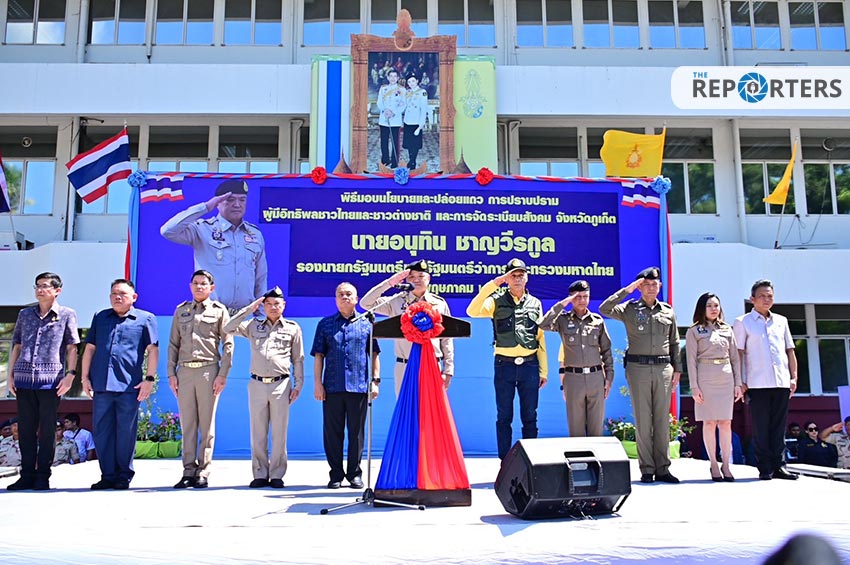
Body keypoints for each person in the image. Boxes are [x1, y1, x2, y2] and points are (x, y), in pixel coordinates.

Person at [600, 266, 682, 484]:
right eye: (646, 284)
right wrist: (628, 289)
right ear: (639, 287)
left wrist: (678, 370)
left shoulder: (667, 311)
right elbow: (604, 308)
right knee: (643, 419)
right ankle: (647, 469)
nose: (651, 288)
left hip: (663, 369)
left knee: (662, 419)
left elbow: (674, 342)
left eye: (655, 284)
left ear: (660, 286)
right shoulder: (629, 308)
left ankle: (663, 468)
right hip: (638, 369)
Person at [466, 258, 548, 460]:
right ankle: (505, 461)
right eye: (513, 275)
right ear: (507, 278)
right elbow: (472, 311)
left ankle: (531, 460)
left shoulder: (535, 303)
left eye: (521, 275)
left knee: (530, 415)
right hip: (505, 365)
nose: (517, 279)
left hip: (530, 365)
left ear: (527, 278)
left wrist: (543, 371)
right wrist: (495, 283)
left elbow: (540, 338)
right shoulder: (496, 300)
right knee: (504, 416)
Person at [81, 279, 159, 490]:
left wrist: (149, 379)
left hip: (129, 386)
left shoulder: (145, 319)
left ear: (134, 297)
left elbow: (153, 350)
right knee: (102, 432)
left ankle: (123, 475)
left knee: (126, 432)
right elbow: (90, 348)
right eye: (114, 293)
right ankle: (107, 475)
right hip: (101, 385)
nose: (117, 297)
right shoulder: (101, 317)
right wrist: (84, 378)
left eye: (123, 294)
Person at [224, 286, 303, 489]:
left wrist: (298, 384)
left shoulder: (292, 328)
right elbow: (228, 328)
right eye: (268, 304)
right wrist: (250, 309)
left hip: (281, 384)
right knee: (258, 431)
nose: (273, 307)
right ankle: (259, 473)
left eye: (277, 303)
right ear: (263, 306)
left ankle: (277, 474)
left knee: (279, 432)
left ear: (283, 305)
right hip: (257, 384)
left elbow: (298, 359)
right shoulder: (253, 325)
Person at [7, 272, 80, 491]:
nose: (40, 290)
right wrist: (10, 375)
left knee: (47, 430)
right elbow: (17, 345)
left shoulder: (66, 314)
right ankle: (26, 475)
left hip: (51, 382)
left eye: (45, 286)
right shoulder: (25, 314)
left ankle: (43, 475)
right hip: (24, 380)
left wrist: (70, 375)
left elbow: (72, 347)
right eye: (37, 286)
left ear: (57, 290)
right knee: (26, 429)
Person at [167, 269, 234, 489]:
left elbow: (228, 344)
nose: (199, 287)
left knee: (206, 424)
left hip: (208, 371)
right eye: (195, 283)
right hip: (185, 372)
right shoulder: (181, 310)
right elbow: (173, 344)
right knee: (188, 424)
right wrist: (171, 373)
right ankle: (188, 470)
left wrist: (222, 374)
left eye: (203, 283)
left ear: (211, 288)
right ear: (190, 286)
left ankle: (203, 471)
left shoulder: (219, 311)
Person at [311, 283, 381, 489]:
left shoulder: (367, 323)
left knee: (356, 433)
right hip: (332, 387)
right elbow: (319, 356)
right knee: (332, 433)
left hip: (358, 387)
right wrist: (318, 384)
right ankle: (336, 474)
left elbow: (374, 354)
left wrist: (375, 381)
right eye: (340, 294)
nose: (345, 297)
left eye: (349, 294)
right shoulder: (325, 324)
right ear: (335, 299)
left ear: (357, 298)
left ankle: (354, 474)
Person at [160, 179, 267, 313]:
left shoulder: (255, 234)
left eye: (242, 200)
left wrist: (261, 315)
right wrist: (206, 207)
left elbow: (260, 279)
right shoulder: (203, 229)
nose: (237, 205)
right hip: (209, 314)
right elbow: (168, 231)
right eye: (230, 200)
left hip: (245, 316)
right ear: (218, 202)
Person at [732, 279, 799, 481]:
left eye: (770, 296)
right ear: (752, 299)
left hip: (781, 381)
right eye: (762, 296)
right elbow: (738, 353)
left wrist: (793, 377)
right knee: (761, 427)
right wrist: (740, 380)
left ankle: (780, 465)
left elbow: (789, 350)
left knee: (779, 426)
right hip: (757, 383)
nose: (766, 299)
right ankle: (764, 467)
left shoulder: (781, 321)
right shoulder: (743, 322)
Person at [360, 260, 454, 398]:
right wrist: (389, 283)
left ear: (428, 279)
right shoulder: (396, 300)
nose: (416, 280)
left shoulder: (439, 303)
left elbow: (446, 339)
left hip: (432, 364)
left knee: (430, 409)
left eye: (421, 276)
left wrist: (448, 370)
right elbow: (365, 303)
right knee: (406, 408)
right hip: (405, 365)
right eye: (411, 277)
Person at [540, 280, 614, 437]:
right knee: (576, 427)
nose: (582, 300)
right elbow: (543, 324)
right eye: (577, 297)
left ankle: (596, 453)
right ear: (571, 298)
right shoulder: (563, 320)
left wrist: (609, 379)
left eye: (585, 296)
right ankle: (579, 454)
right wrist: (563, 304)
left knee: (596, 428)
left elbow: (606, 351)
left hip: (595, 377)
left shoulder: (597, 321)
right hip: (573, 378)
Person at [685, 292, 743, 482]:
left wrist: (738, 383)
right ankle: (713, 464)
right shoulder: (694, 331)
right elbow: (690, 361)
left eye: (716, 305)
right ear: (702, 308)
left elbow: (735, 358)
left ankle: (726, 464)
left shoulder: (727, 329)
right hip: (705, 378)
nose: (713, 309)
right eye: (709, 305)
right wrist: (694, 386)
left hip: (725, 377)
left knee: (725, 422)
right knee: (709, 422)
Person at [376, 69, 406, 168]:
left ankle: (394, 161)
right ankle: (385, 159)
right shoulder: (383, 89)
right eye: (391, 76)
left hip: (395, 119)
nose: (393, 78)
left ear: (398, 78)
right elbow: (379, 102)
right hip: (384, 119)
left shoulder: (402, 90)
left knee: (395, 141)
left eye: (395, 76)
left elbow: (403, 104)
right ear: (388, 77)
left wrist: (393, 112)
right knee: (384, 141)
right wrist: (385, 110)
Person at [402, 73, 428, 170]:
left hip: (416, 122)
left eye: (413, 81)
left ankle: (413, 161)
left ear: (417, 81)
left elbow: (423, 109)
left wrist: (421, 125)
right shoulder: (407, 92)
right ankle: (411, 159)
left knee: (415, 143)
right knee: (409, 143)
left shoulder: (422, 92)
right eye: (409, 82)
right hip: (407, 121)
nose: (411, 83)